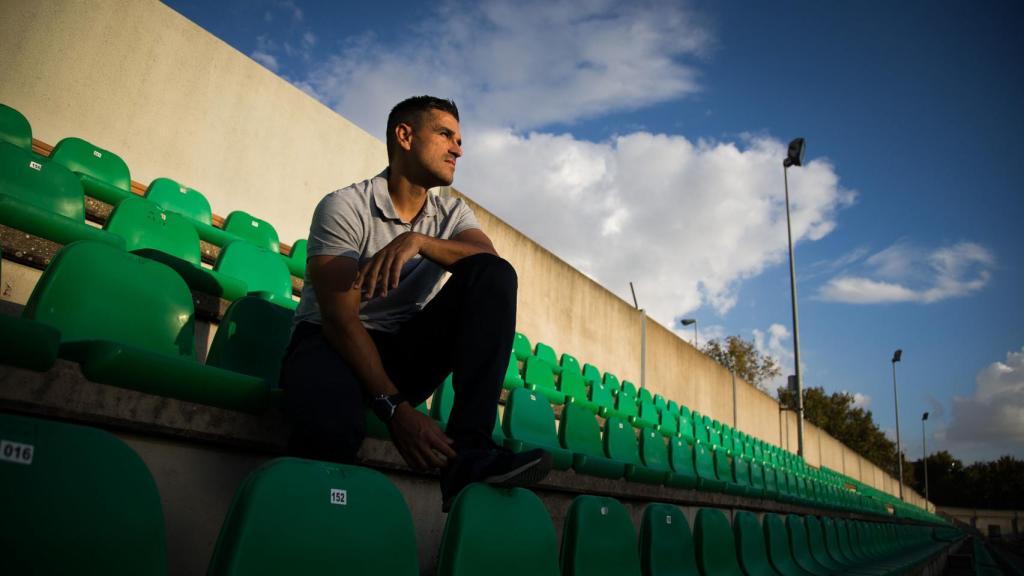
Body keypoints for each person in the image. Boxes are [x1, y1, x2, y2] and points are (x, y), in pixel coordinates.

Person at [281, 95, 551, 511]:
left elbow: (489, 262)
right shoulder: (345, 206)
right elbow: (339, 322)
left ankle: (471, 451)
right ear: (405, 136)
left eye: (459, 140)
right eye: (445, 134)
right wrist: (397, 411)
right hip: (331, 346)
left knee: (494, 275)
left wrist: (419, 241)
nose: (458, 149)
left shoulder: (451, 213)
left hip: (401, 351)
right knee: (330, 429)